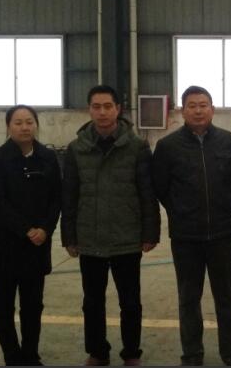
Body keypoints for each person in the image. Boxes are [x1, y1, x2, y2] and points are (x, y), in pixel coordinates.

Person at [61, 85, 160, 367]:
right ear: (89, 110)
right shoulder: (76, 149)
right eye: (96, 107)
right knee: (92, 301)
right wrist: (69, 236)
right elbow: (69, 195)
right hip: (89, 237)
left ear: (118, 109)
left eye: (108, 106)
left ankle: (131, 352)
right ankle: (97, 351)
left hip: (126, 237)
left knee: (130, 301)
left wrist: (150, 233)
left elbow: (147, 193)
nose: (102, 112)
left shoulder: (137, 147)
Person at [152, 85, 231, 366]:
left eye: (203, 105)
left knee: (228, 297)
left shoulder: (230, 142)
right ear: (182, 111)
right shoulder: (167, 147)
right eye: (192, 106)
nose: (198, 110)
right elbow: (161, 187)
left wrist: (222, 205)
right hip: (186, 237)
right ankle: (192, 354)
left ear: (212, 109)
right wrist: (181, 211)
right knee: (188, 298)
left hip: (222, 234)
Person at [0, 104, 62, 366]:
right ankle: (12, 356)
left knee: (33, 305)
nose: (24, 127)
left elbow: (56, 198)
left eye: (29, 121)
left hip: (36, 245)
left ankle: (30, 354)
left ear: (36, 124)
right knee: (3, 305)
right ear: (8, 127)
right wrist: (26, 229)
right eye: (18, 122)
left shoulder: (48, 158)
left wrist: (46, 229)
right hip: (2, 245)